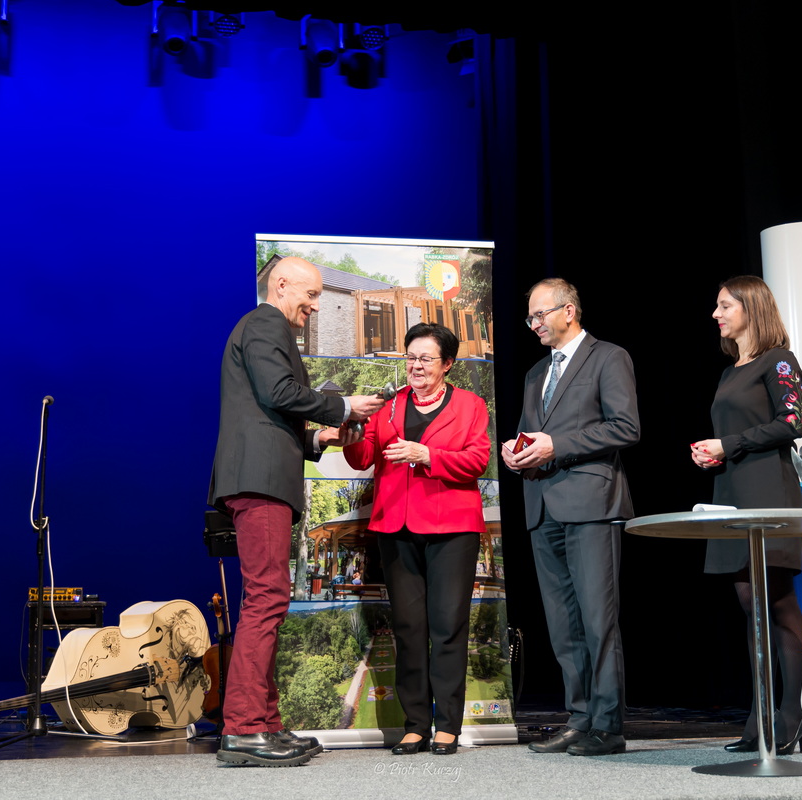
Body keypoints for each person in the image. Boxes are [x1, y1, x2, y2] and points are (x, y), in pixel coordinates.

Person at [208, 257, 385, 767]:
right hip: (258, 481)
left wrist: (319, 437)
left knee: (269, 599)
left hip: (263, 479)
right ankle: (243, 730)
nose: (314, 304)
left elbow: (272, 409)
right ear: (280, 285)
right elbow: (277, 392)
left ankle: (265, 724)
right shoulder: (266, 322)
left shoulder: (264, 328)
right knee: (265, 599)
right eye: (310, 294)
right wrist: (345, 407)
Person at [502, 278, 639, 757]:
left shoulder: (608, 357)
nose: (534, 325)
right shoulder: (536, 372)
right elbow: (531, 432)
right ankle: (580, 717)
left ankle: (608, 725)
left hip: (591, 504)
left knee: (599, 620)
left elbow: (626, 427)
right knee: (563, 624)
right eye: (530, 318)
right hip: (542, 504)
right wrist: (516, 451)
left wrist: (556, 445)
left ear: (569, 311)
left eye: (540, 315)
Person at [343, 323, 491, 757]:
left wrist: (428, 455)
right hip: (397, 527)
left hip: (452, 530)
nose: (415, 366)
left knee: (447, 628)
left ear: (447, 364)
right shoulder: (389, 406)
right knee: (409, 629)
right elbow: (364, 456)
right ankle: (415, 726)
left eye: (425, 358)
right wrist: (353, 430)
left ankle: (447, 726)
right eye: (410, 357)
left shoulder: (470, 405)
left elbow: (477, 459)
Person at [690, 275, 802, 755]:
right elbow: (740, 432)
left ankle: (791, 713)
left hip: (768, 492)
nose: (716, 314)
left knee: (776, 599)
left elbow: (793, 423)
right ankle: (760, 712)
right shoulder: (729, 370)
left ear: (751, 308)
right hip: (732, 491)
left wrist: (730, 444)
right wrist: (714, 454)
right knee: (749, 603)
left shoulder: (778, 359)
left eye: (724, 305)